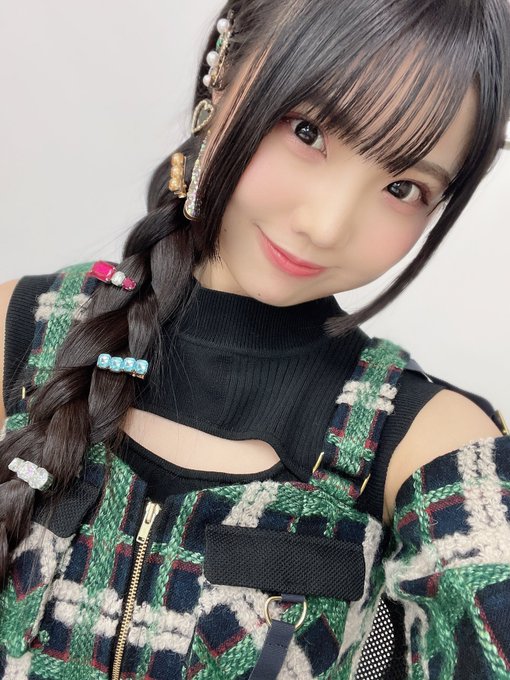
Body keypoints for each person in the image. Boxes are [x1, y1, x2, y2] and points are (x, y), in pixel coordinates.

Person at [0, 1, 509, 678]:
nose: (326, 225)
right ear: (221, 79)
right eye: (307, 131)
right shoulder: (24, 327)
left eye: (401, 186)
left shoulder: (430, 443)